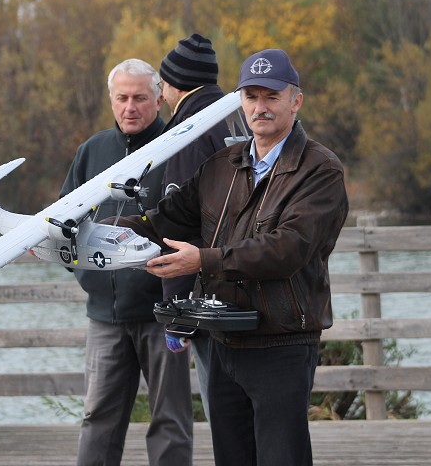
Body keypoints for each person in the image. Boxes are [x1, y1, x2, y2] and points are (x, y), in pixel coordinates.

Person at [115, 49, 349, 465]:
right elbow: (167, 219)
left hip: (282, 343)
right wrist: (99, 234)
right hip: (224, 340)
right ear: (240, 102)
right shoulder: (223, 163)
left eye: (271, 96)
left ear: (295, 101)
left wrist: (204, 262)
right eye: (252, 96)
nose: (260, 107)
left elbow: (287, 248)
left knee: (282, 458)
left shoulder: (320, 170)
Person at [59, 58, 193, 466]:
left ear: (158, 99)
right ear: (111, 100)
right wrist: (84, 273)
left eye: (139, 97)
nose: (130, 107)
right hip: (104, 317)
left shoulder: (178, 148)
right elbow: (63, 221)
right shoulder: (92, 151)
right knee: (98, 417)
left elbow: (197, 226)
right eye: (122, 98)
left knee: (170, 419)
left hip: (162, 313)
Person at [157, 33, 231, 422]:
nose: (162, 94)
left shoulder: (187, 134)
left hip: (206, 296)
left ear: (176, 84)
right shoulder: (231, 118)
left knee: (224, 415)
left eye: (163, 83)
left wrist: (177, 313)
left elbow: (178, 225)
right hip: (240, 285)